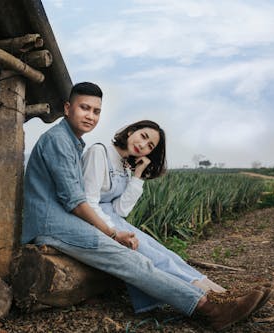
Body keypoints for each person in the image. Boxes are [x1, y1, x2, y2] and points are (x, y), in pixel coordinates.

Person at [22, 82, 269, 331]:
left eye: (96, 111)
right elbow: (76, 202)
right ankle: (210, 309)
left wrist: (134, 181)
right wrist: (112, 233)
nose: (90, 116)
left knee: (153, 254)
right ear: (68, 108)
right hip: (51, 224)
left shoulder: (72, 141)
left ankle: (217, 297)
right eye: (84, 108)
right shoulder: (59, 141)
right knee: (132, 259)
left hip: (63, 221)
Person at [81, 120, 226, 313]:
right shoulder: (99, 153)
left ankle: (215, 290)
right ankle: (205, 298)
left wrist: (138, 175)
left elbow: (120, 210)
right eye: (143, 136)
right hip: (95, 221)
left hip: (113, 219)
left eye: (150, 146)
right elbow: (88, 202)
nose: (143, 145)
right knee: (149, 255)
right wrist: (113, 232)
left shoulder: (125, 165)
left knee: (164, 253)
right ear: (131, 131)